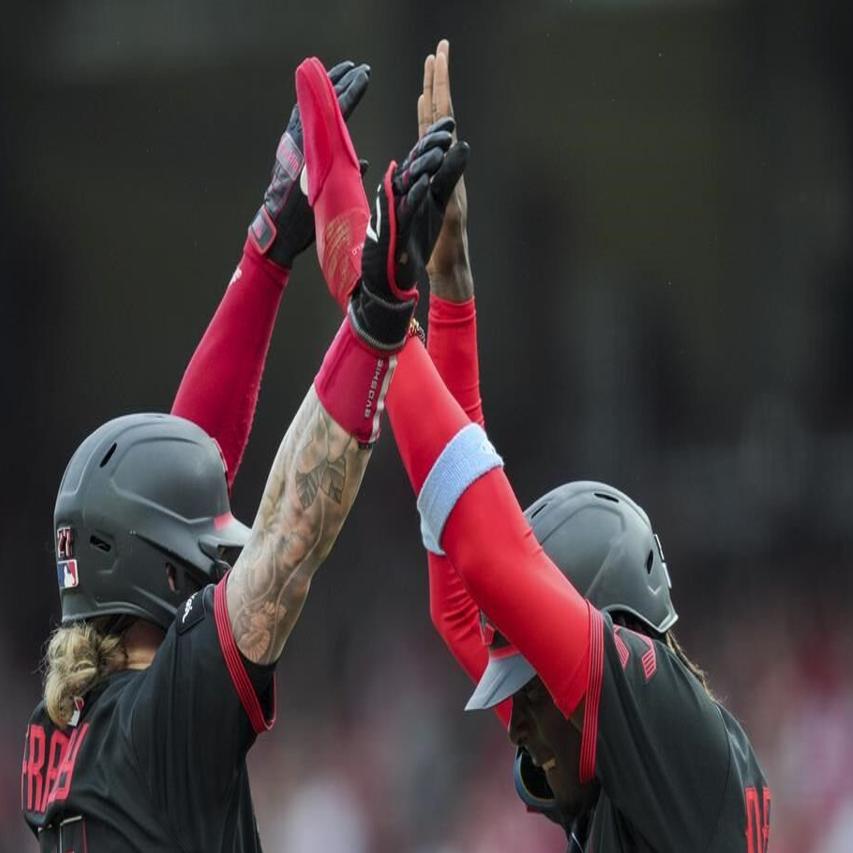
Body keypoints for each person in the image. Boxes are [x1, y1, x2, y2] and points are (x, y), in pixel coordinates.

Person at [313, 39, 771, 853]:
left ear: (609, 626)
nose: (512, 716)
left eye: (531, 684)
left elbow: (490, 558)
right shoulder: (631, 762)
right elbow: (462, 599)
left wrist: (365, 282)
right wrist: (449, 294)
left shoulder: (671, 730)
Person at [21, 55, 467, 852]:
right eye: (196, 559)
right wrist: (376, 314)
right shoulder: (165, 718)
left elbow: (181, 461)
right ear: (160, 574)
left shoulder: (66, 721)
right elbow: (289, 537)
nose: (216, 567)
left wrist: (268, 252)